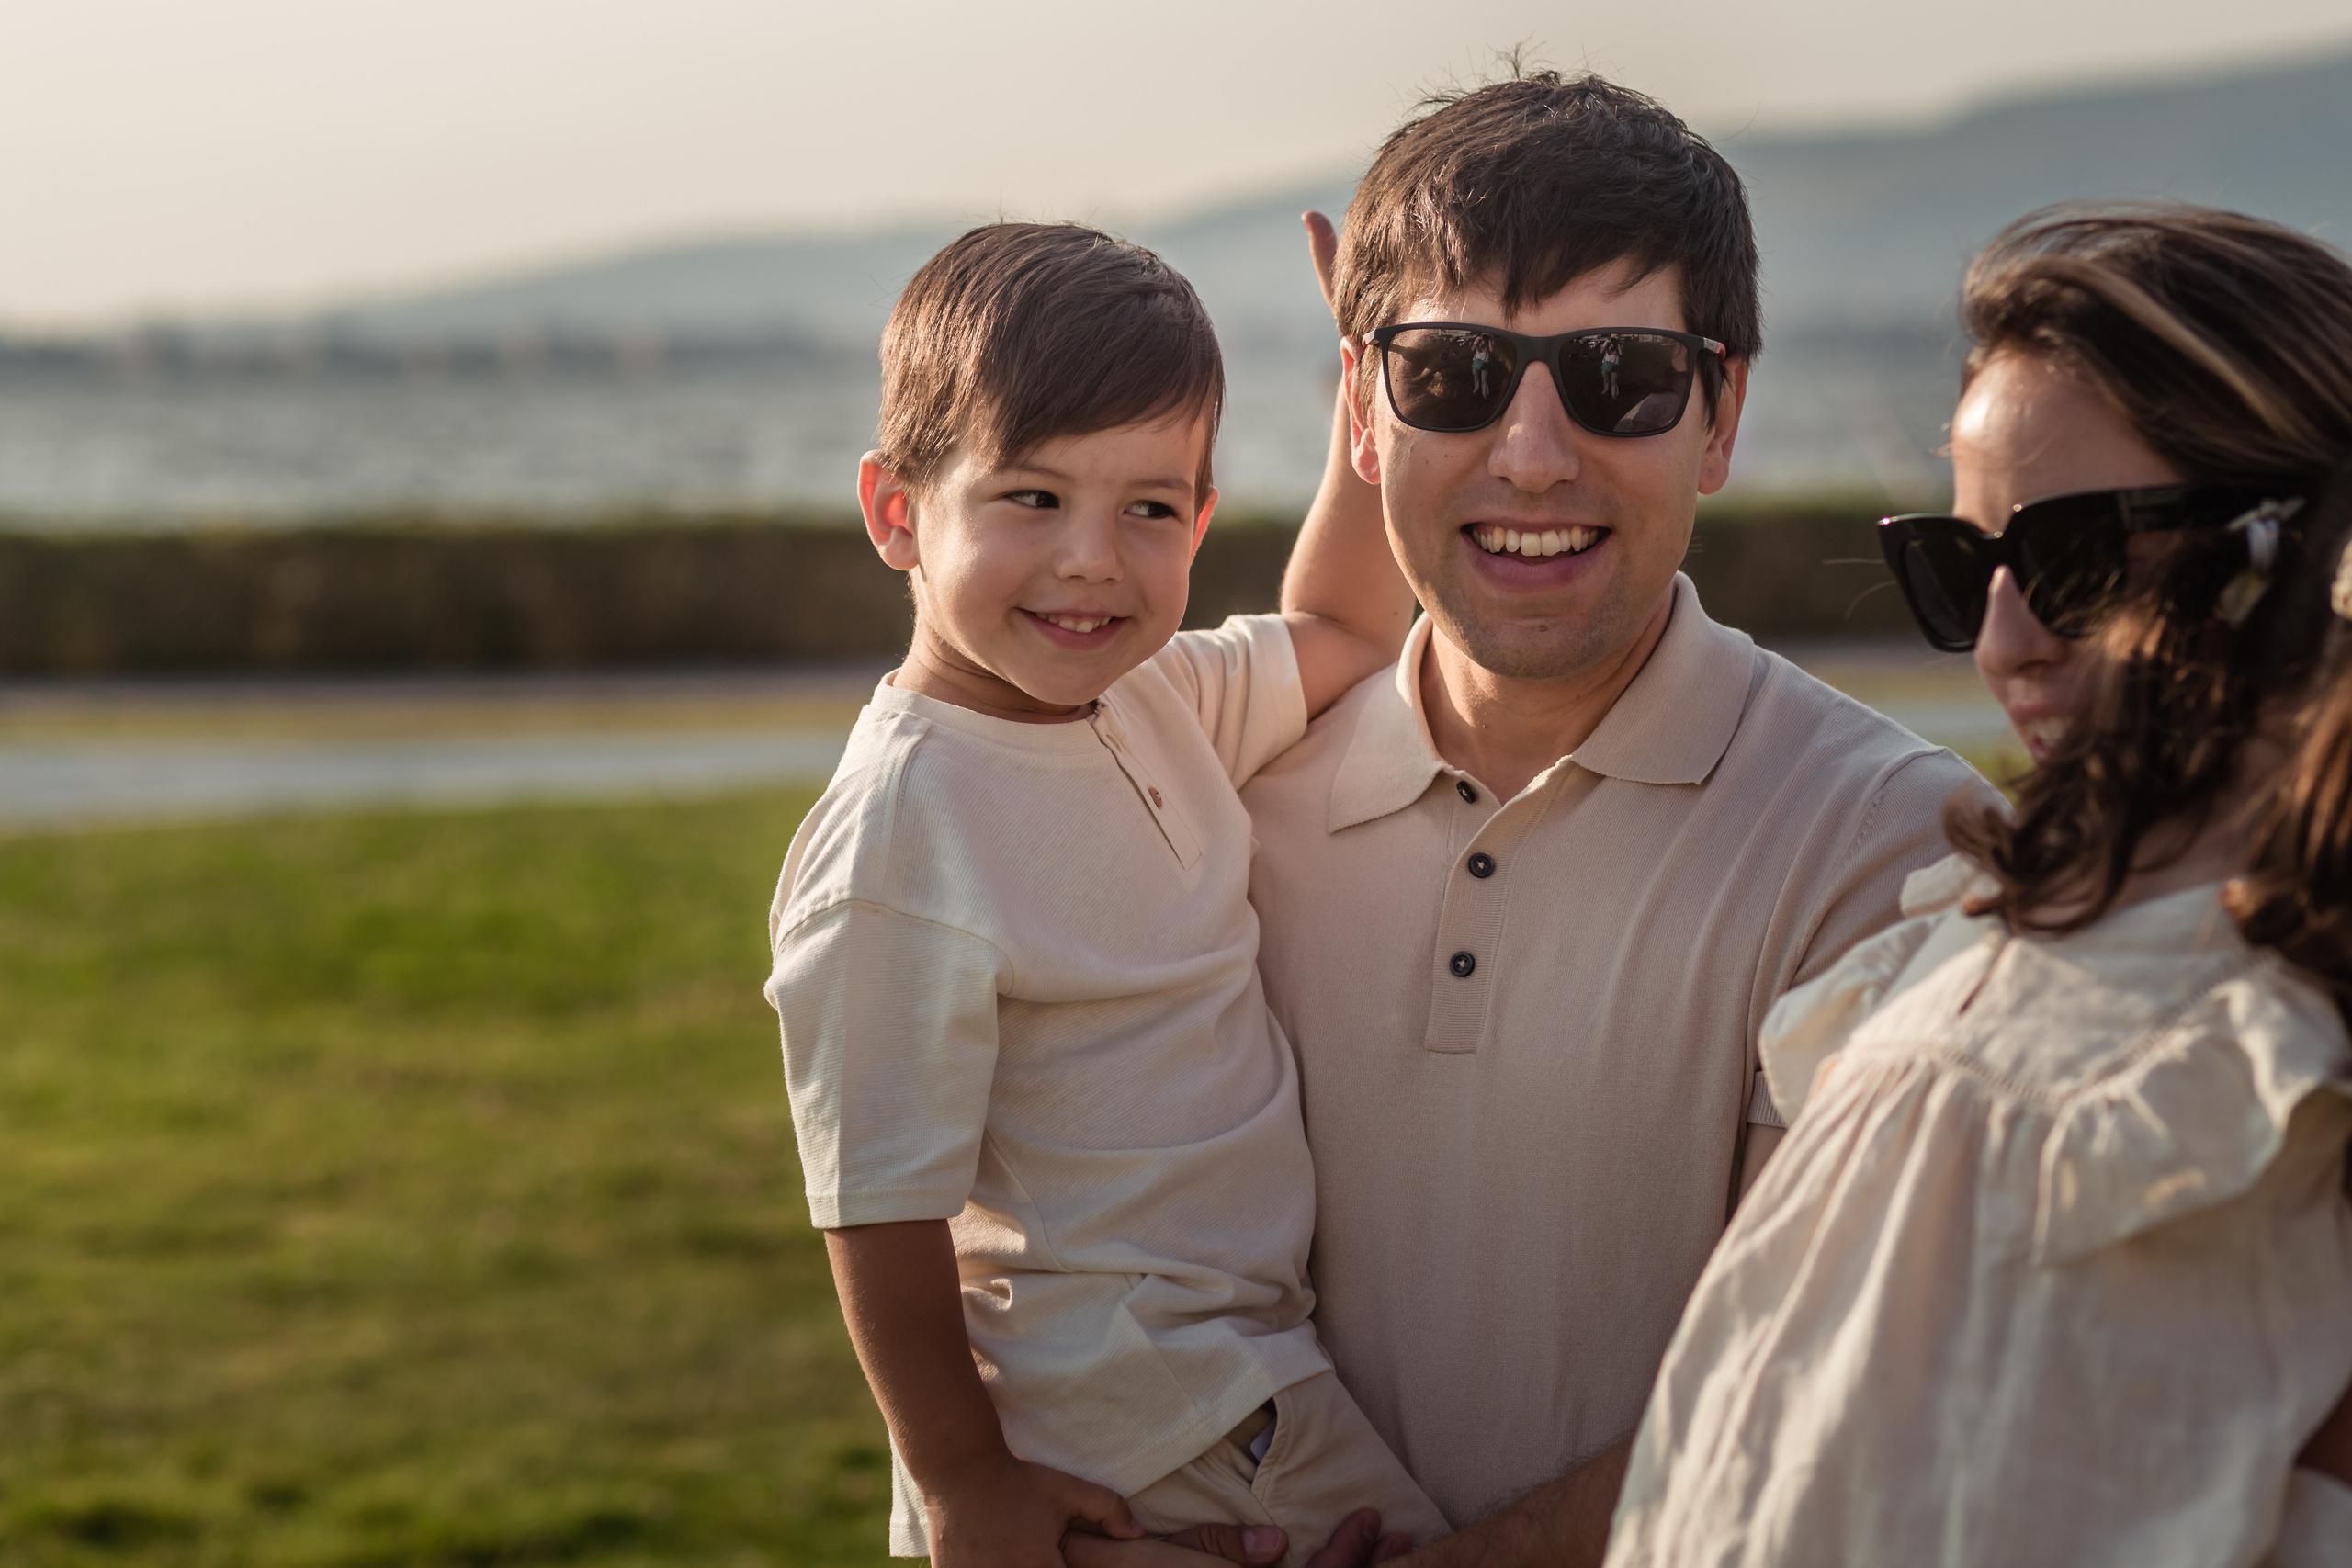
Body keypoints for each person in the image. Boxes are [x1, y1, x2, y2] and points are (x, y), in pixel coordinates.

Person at [1234, 70, 2000, 1568]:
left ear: (1722, 416)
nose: (1532, 454)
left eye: (1621, 377)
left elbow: (1818, 1392)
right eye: (1452, 374)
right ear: (1362, 415)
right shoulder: (1224, 813)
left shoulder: (1895, 850)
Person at [1605, 203, 2352, 1566]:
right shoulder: (1990, 956)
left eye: (2072, 561)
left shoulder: (2165, 1075)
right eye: (1962, 568)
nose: (2002, 643)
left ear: (2283, 546)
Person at [763, 221, 1446, 1568]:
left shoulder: (1162, 697)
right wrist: (963, 1484)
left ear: (1200, 519)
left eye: (1147, 509)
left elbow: (1356, 635)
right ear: (900, 513)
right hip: (1154, 1413)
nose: (1093, 559)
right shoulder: (907, 827)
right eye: (1031, 499)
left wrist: (1374, 384)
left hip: (1236, 1362)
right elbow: (875, 1200)